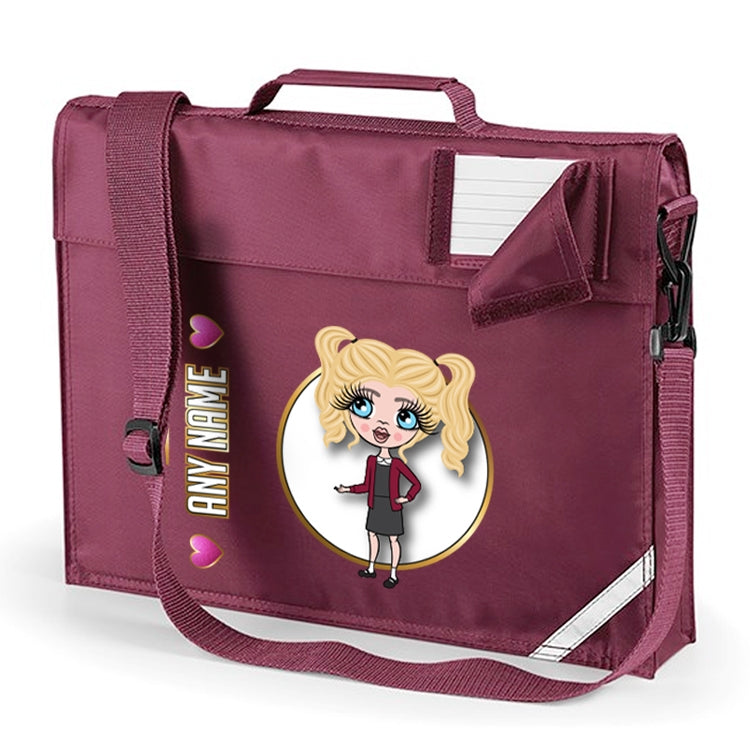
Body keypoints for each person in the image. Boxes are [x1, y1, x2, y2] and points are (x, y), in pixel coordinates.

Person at [314, 325, 475, 588]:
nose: (381, 424)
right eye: (362, 405)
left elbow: (416, 483)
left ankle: (392, 574)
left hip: (391, 507)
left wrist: (406, 498)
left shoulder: (398, 464)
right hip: (375, 505)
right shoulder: (371, 461)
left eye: (405, 417)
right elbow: (366, 485)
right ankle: (370, 567)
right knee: (372, 535)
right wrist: (347, 489)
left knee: (392, 539)